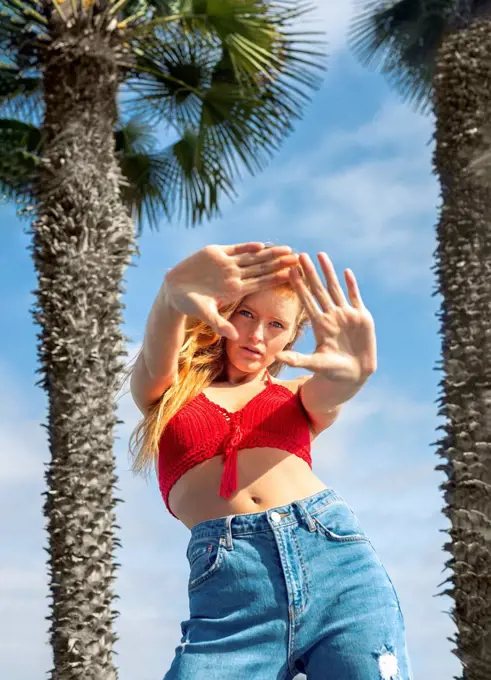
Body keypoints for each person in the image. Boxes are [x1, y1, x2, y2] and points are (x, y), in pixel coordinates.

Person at [128, 242, 413, 679]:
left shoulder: (297, 395)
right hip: (232, 587)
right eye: (246, 315)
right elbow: (153, 365)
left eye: (276, 324)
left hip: (335, 563)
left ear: (292, 337)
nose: (257, 335)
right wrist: (170, 296)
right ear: (223, 313)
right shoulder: (170, 392)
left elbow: (331, 392)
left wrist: (350, 376)